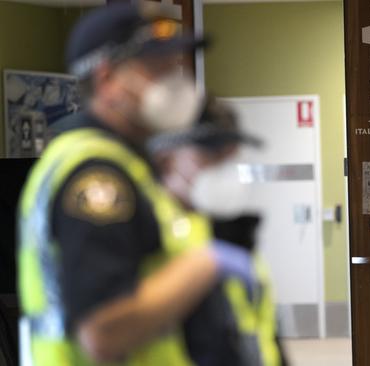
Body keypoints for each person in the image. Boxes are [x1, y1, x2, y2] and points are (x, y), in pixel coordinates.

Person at [17, 4, 251, 365]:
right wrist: (206, 263)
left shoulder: (128, 163)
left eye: (175, 66)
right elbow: (104, 332)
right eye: (157, 68)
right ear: (108, 77)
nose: (175, 79)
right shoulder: (96, 175)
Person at [149, 99, 287, 366]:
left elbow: (264, 333)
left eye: (231, 154)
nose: (224, 167)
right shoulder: (149, 232)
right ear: (166, 160)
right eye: (210, 154)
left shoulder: (229, 234)